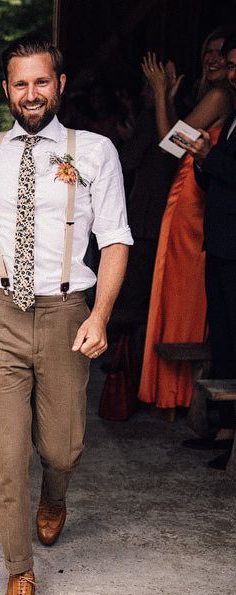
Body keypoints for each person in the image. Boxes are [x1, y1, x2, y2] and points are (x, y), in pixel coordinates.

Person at [0, 36, 132, 595]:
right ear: (5, 90)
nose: (30, 94)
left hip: (67, 312)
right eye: (20, 84)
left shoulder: (94, 151)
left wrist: (99, 316)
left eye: (41, 82)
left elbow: (117, 238)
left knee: (63, 444)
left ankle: (56, 492)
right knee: (3, 448)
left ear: (60, 85)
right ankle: (19, 571)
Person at [138, 27, 236, 412]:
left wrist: (161, 94)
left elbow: (171, 142)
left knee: (187, 295)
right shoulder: (213, 92)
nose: (214, 61)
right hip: (192, 190)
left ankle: (181, 395)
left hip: (197, 202)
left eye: (222, 56)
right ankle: (188, 398)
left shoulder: (219, 94)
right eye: (209, 52)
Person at [177, 34, 236, 467]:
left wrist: (209, 154)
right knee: (225, 337)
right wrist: (204, 159)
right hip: (221, 242)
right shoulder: (232, 113)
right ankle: (227, 429)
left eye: (235, 64)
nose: (231, 72)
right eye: (228, 65)